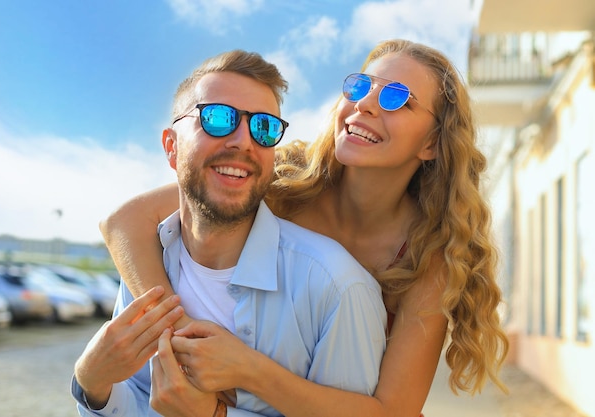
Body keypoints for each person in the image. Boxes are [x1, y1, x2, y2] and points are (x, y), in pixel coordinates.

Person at [100, 39, 509, 417]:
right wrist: (178, 330)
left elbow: (392, 411)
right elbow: (123, 221)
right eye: (360, 86)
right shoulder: (283, 183)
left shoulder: (428, 253)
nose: (366, 104)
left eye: (396, 98)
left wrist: (246, 370)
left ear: (432, 144)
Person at [71, 50, 387, 417]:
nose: (243, 141)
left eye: (264, 127)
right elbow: (139, 400)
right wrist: (92, 386)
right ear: (172, 147)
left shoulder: (337, 288)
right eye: (218, 119)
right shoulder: (148, 263)